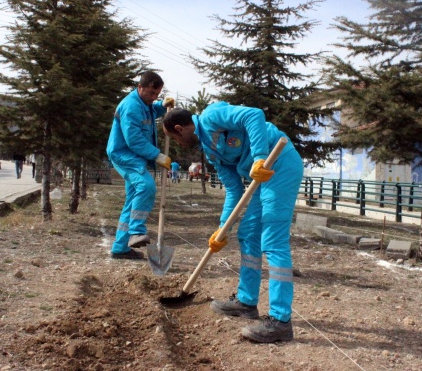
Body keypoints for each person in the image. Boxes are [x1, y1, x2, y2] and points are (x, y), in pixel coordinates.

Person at [162, 102, 303, 344]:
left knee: (273, 240)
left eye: (175, 139)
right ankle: (246, 302)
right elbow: (233, 190)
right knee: (247, 233)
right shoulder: (210, 151)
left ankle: (281, 322)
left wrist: (259, 158)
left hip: (279, 164)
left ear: (179, 128)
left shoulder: (212, 116)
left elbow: (254, 114)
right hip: (262, 177)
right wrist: (222, 228)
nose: (178, 144)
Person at [106, 71, 174, 260]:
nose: (154, 98)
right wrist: (157, 155)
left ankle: (120, 248)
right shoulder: (131, 106)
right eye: (151, 93)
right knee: (146, 186)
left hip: (135, 155)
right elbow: (134, 139)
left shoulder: (145, 103)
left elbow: (151, 112)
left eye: (157, 94)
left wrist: (162, 106)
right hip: (124, 154)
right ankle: (136, 232)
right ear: (139, 88)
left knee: (132, 200)